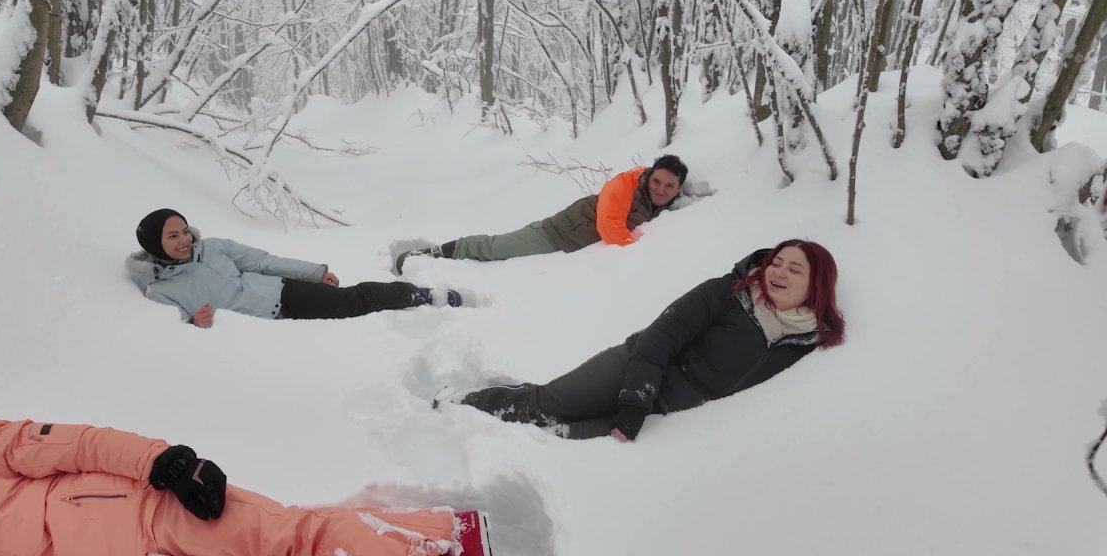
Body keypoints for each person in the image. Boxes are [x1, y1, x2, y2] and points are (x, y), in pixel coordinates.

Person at [0, 413, 493, 556]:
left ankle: (446, 543)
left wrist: (170, 464)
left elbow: (82, 443)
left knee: (292, 539)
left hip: (156, 512)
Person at [436, 239, 846, 441]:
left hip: (663, 417)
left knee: (554, 438)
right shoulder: (728, 292)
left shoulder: (802, 342)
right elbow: (661, 337)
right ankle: (458, 403)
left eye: (795, 269)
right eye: (777, 261)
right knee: (541, 409)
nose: (778, 271)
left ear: (816, 286)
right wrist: (635, 401)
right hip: (630, 372)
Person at [128, 209, 463, 327]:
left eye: (185, 230)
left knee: (351, 301)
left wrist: (315, 272)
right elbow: (174, 331)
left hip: (284, 294)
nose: (184, 239)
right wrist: (195, 323)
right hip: (260, 327)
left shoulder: (214, 247)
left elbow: (265, 262)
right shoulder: (160, 291)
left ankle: (418, 295)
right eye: (172, 236)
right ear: (155, 244)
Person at [393, 155, 690, 274]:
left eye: (669, 186)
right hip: (555, 234)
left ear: (678, 189)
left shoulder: (663, 204)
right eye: (656, 181)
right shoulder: (625, 185)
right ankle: (433, 254)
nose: (660, 189)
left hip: (572, 246)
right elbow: (610, 227)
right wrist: (642, 252)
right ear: (649, 175)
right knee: (494, 248)